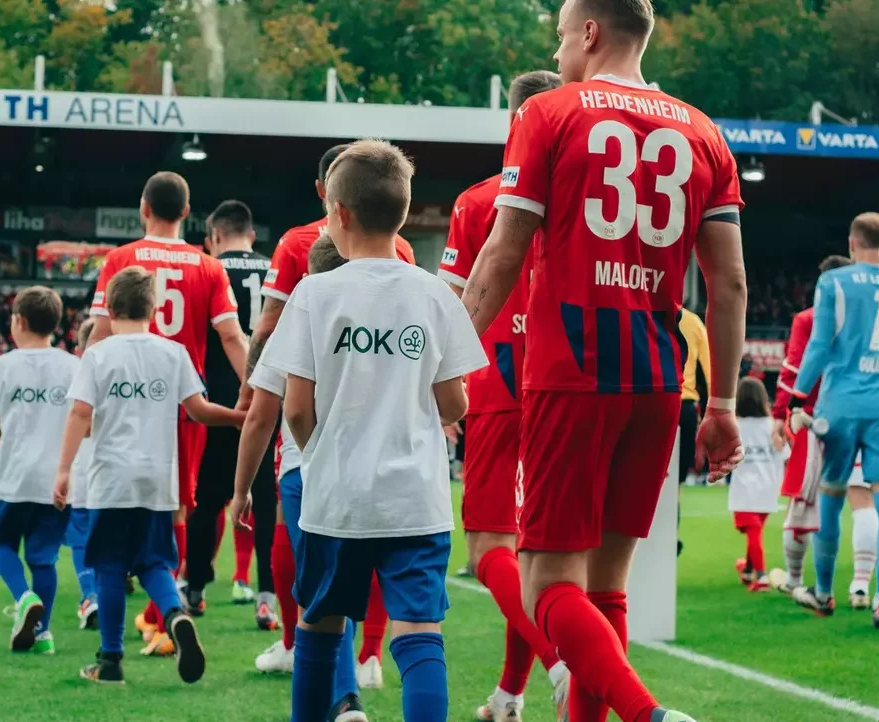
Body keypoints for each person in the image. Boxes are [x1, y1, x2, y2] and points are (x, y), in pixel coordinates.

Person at [458, 1, 748, 719]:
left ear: (589, 33)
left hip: (571, 369)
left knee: (546, 584)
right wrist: (722, 404)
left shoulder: (548, 112)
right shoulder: (705, 131)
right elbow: (730, 283)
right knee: (605, 587)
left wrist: (447, 358)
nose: (558, 54)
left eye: (561, 37)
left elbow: (504, 251)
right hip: (658, 377)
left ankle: (650, 714)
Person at [259, 139, 485, 722]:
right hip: (416, 499)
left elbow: (296, 409)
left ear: (337, 213)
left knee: (319, 628)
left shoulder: (314, 293)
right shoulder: (434, 293)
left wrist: (323, 452)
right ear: (403, 214)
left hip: (337, 498)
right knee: (420, 635)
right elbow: (455, 403)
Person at [249, 142, 421, 687]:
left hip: (318, 419)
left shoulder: (297, 242)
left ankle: (294, 644)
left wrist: (256, 387)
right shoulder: (403, 249)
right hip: (390, 422)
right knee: (385, 542)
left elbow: (269, 323)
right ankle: (370, 655)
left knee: (299, 527)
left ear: (327, 192)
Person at [435, 68, 571, 722]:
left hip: (498, 382)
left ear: (515, 120)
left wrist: (439, 385)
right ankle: (510, 695)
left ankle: (560, 662)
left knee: (489, 547)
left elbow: (451, 303)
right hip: (567, 382)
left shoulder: (479, 200)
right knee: (534, 552)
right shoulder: (579, 195)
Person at [55, 266, 245, 685]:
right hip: (158, 480)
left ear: (109, 308)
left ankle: (110, 661)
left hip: (111, 480)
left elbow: (80, 413)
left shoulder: (98, 354)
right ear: (154, 309)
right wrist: (237, 418)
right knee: (155, 562)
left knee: (109, 567)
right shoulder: (172, 353)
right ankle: (174, 615)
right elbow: (198, 410)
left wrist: (64, 469)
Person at [86, 171, 250, 657]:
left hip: (126, 399)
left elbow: (99, 332)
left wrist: (84, 391)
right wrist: (255, 390)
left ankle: (147, 622)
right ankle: (163, 617)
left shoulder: (120, 259)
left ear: (143, 209)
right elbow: (231, 336)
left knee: (118, 512)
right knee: (178, 506)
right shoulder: (208, 266)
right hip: (180, 399)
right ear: (186, 212)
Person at [789, 213, 879, 630]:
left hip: (840, 405)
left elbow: (819, 345)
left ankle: (824, 592)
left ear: (851, 243)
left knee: (832, 497)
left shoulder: (833, 282)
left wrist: (797, 396)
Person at [231, 236, 346, 681]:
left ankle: (338, 691)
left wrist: (241, 490)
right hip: (374, 470)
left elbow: (264, 417)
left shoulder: (295, 326)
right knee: (354, 582)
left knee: (322, 589)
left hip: (307, 469)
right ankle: (365, 661)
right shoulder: (389, 315)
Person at [186, 199, 277, 619]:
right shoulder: (274, 268)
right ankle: (267, 596)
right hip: (270, 398)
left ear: (215, 236)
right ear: (251, 235)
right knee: (267, 499)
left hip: (221, 401)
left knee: (207, 499)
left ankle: (195, 588)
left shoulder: (210, 271)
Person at [0, 286, 79, 656]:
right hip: (56, 480)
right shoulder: (73, 366)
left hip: (14, 477)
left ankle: (23, 598)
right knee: (43, 558)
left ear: (19, 321)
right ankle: (43, 634)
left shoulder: (3, 366)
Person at [771, 255, 854, 594]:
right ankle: (866, 585)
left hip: (812, 417)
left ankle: (794, 579)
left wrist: (780, 413)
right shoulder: (863, 320)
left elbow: (794, 367)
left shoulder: (808, 319)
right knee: (870, 501)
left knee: (804, 501)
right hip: (859, 417)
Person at [729, 378, 786, 592]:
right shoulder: (772, 426)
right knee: (755, 531)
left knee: (754, 532)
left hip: (744, 489)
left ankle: (761, 577)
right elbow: (785, 454)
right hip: (769, 487)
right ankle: (747, 569)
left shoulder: (734, 426)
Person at [63, 318, 101, 631]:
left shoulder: (80, 375)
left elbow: (80, 422)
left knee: (80, 535)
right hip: (122, 471)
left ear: (79, 350)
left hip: (86, 469)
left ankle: (90, 595)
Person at [677, 308, 712, 485]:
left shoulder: (644, 313)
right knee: (677, 476)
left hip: (651, 402)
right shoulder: (693, 322)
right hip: (684, 405)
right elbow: (710, 372)